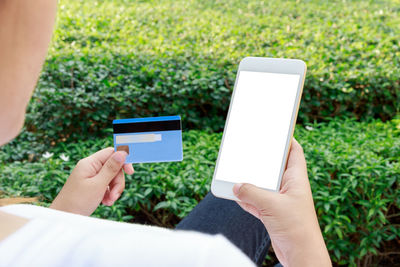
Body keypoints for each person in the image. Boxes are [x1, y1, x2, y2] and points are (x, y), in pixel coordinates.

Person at [0, 1, 331, 266]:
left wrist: (63, 214)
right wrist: (305, 246)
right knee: (255, 194)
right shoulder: (201, 259)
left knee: (235, 203)